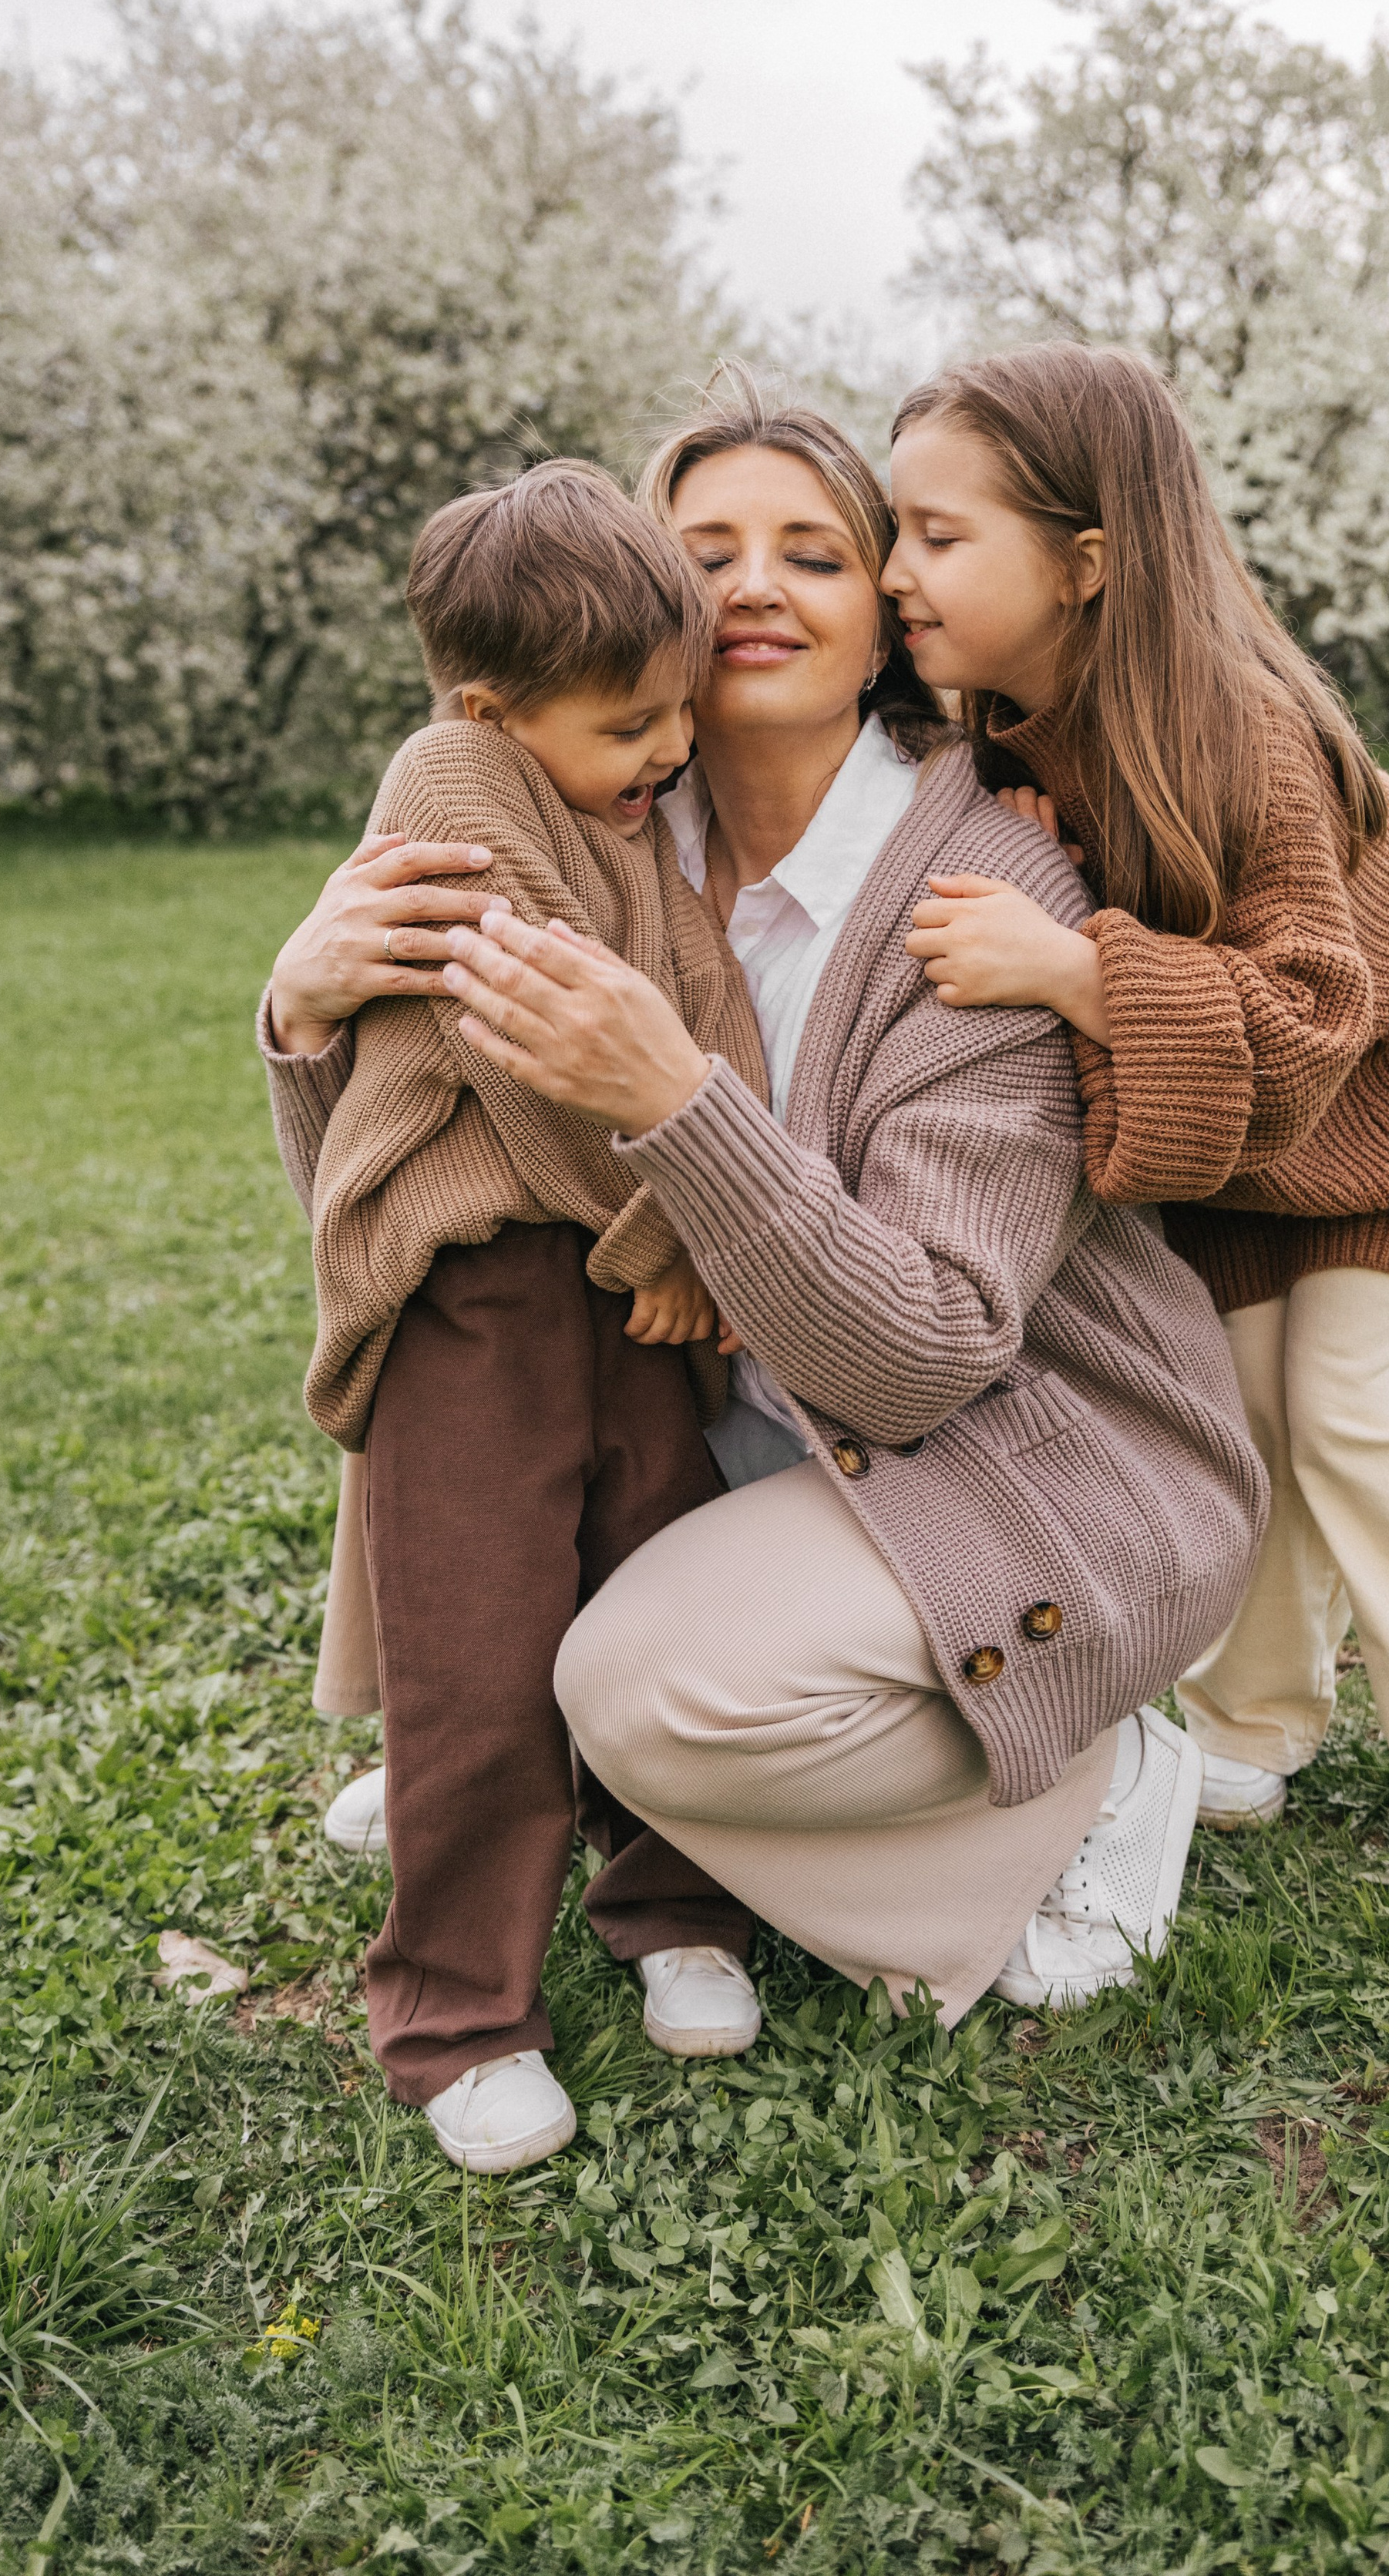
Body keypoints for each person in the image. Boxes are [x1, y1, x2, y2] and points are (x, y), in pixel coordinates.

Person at [430, 379, 1269, 2034]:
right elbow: (408, 1199)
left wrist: (677, 1099)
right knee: (458, 1385)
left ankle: (1078, 1780)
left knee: (632, 1695)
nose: (750, 589)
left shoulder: (987, 894)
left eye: (811, 555)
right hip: (726, 1435)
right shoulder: (581, 837)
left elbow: (925, 1355)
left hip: (1026, 1460)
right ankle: (540, 1761)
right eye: (704, 554)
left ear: (883, 615)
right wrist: (308, 1021)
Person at [881, 341, 1389, 1983]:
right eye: (892, 532)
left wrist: (1080, 969)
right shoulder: (996, 728)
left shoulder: (1229, 717)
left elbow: (1312, 1000)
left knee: (1368, 1419)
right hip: (1234, 1128)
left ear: (1087, 563)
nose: (894, 575)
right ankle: (1254, 1711)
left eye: (937, 539)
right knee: (1237, 1413)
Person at [261, 462, 774, 2179]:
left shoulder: (618, 811)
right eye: (631, 724)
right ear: (493, 709)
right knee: (474, 1655)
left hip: (621, 1289)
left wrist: (725, 1187)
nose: (669, 753)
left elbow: (695, 1009)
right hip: (480, 1289)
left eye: (678, 714)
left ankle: (673, 1899)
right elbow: (532, 1047)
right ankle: (455, 2013)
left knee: (654, 1579)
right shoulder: (453, 782)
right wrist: (670, 1223)